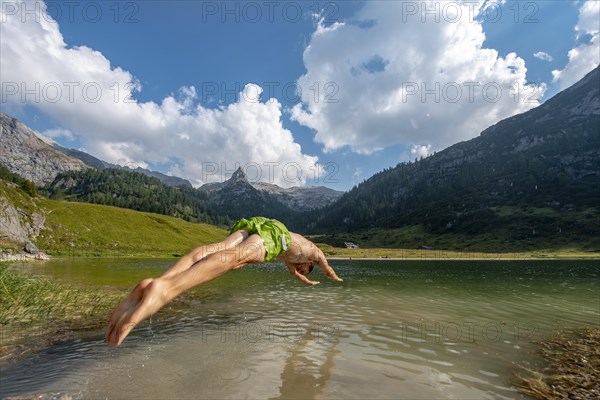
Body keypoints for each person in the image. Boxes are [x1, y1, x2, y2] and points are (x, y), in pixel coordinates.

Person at [106, 217, 343, 346]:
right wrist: (336, 279)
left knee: (218, 250)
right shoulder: (314, 252)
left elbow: (295, 275)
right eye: (306, 270)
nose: (302, 269)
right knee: (237, 258)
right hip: (274, 235)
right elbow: (328, 268)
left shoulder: (294, 262)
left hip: (259, 224)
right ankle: (165, 290)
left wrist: (307, 283)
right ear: (310, 263)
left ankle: (158, 282)